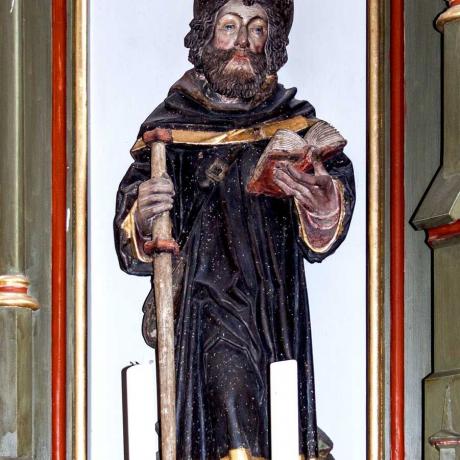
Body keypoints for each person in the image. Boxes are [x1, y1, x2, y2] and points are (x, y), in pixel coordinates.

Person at [114, 1, 355, 458]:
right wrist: (143, 213)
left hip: (276, 305)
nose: (243, 41)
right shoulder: (173, 125)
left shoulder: (294, 119)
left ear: (272, 42)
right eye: (230, 26)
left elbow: (329, 212)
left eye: (257, 28)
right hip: (208, 303)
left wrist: (321, 199)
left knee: (276, 417)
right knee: (228, 396)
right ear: (207, 35)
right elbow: (133, 224)